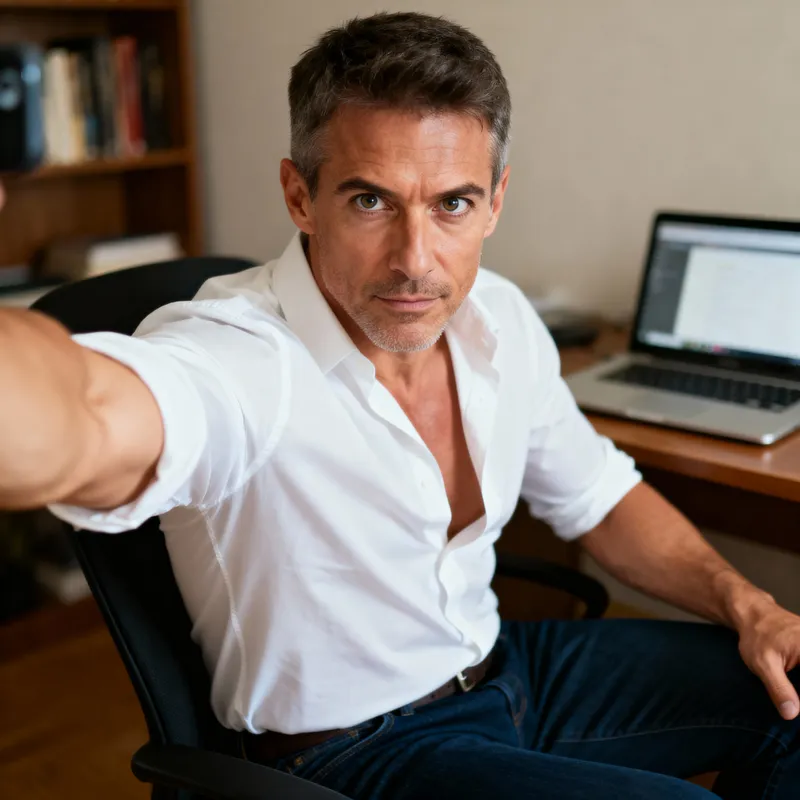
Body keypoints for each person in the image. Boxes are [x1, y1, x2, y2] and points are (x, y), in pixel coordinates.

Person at [1, 12, 799, 800]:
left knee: (793, 692)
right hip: (353, 751)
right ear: (299, 195)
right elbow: (84, 415)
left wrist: (747, 603)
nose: (416, 261)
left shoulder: (501, 317)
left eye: (451, 204)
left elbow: (598, 497)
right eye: (371, 202)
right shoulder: (241, 358)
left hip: (505, 672)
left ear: (495, 201)